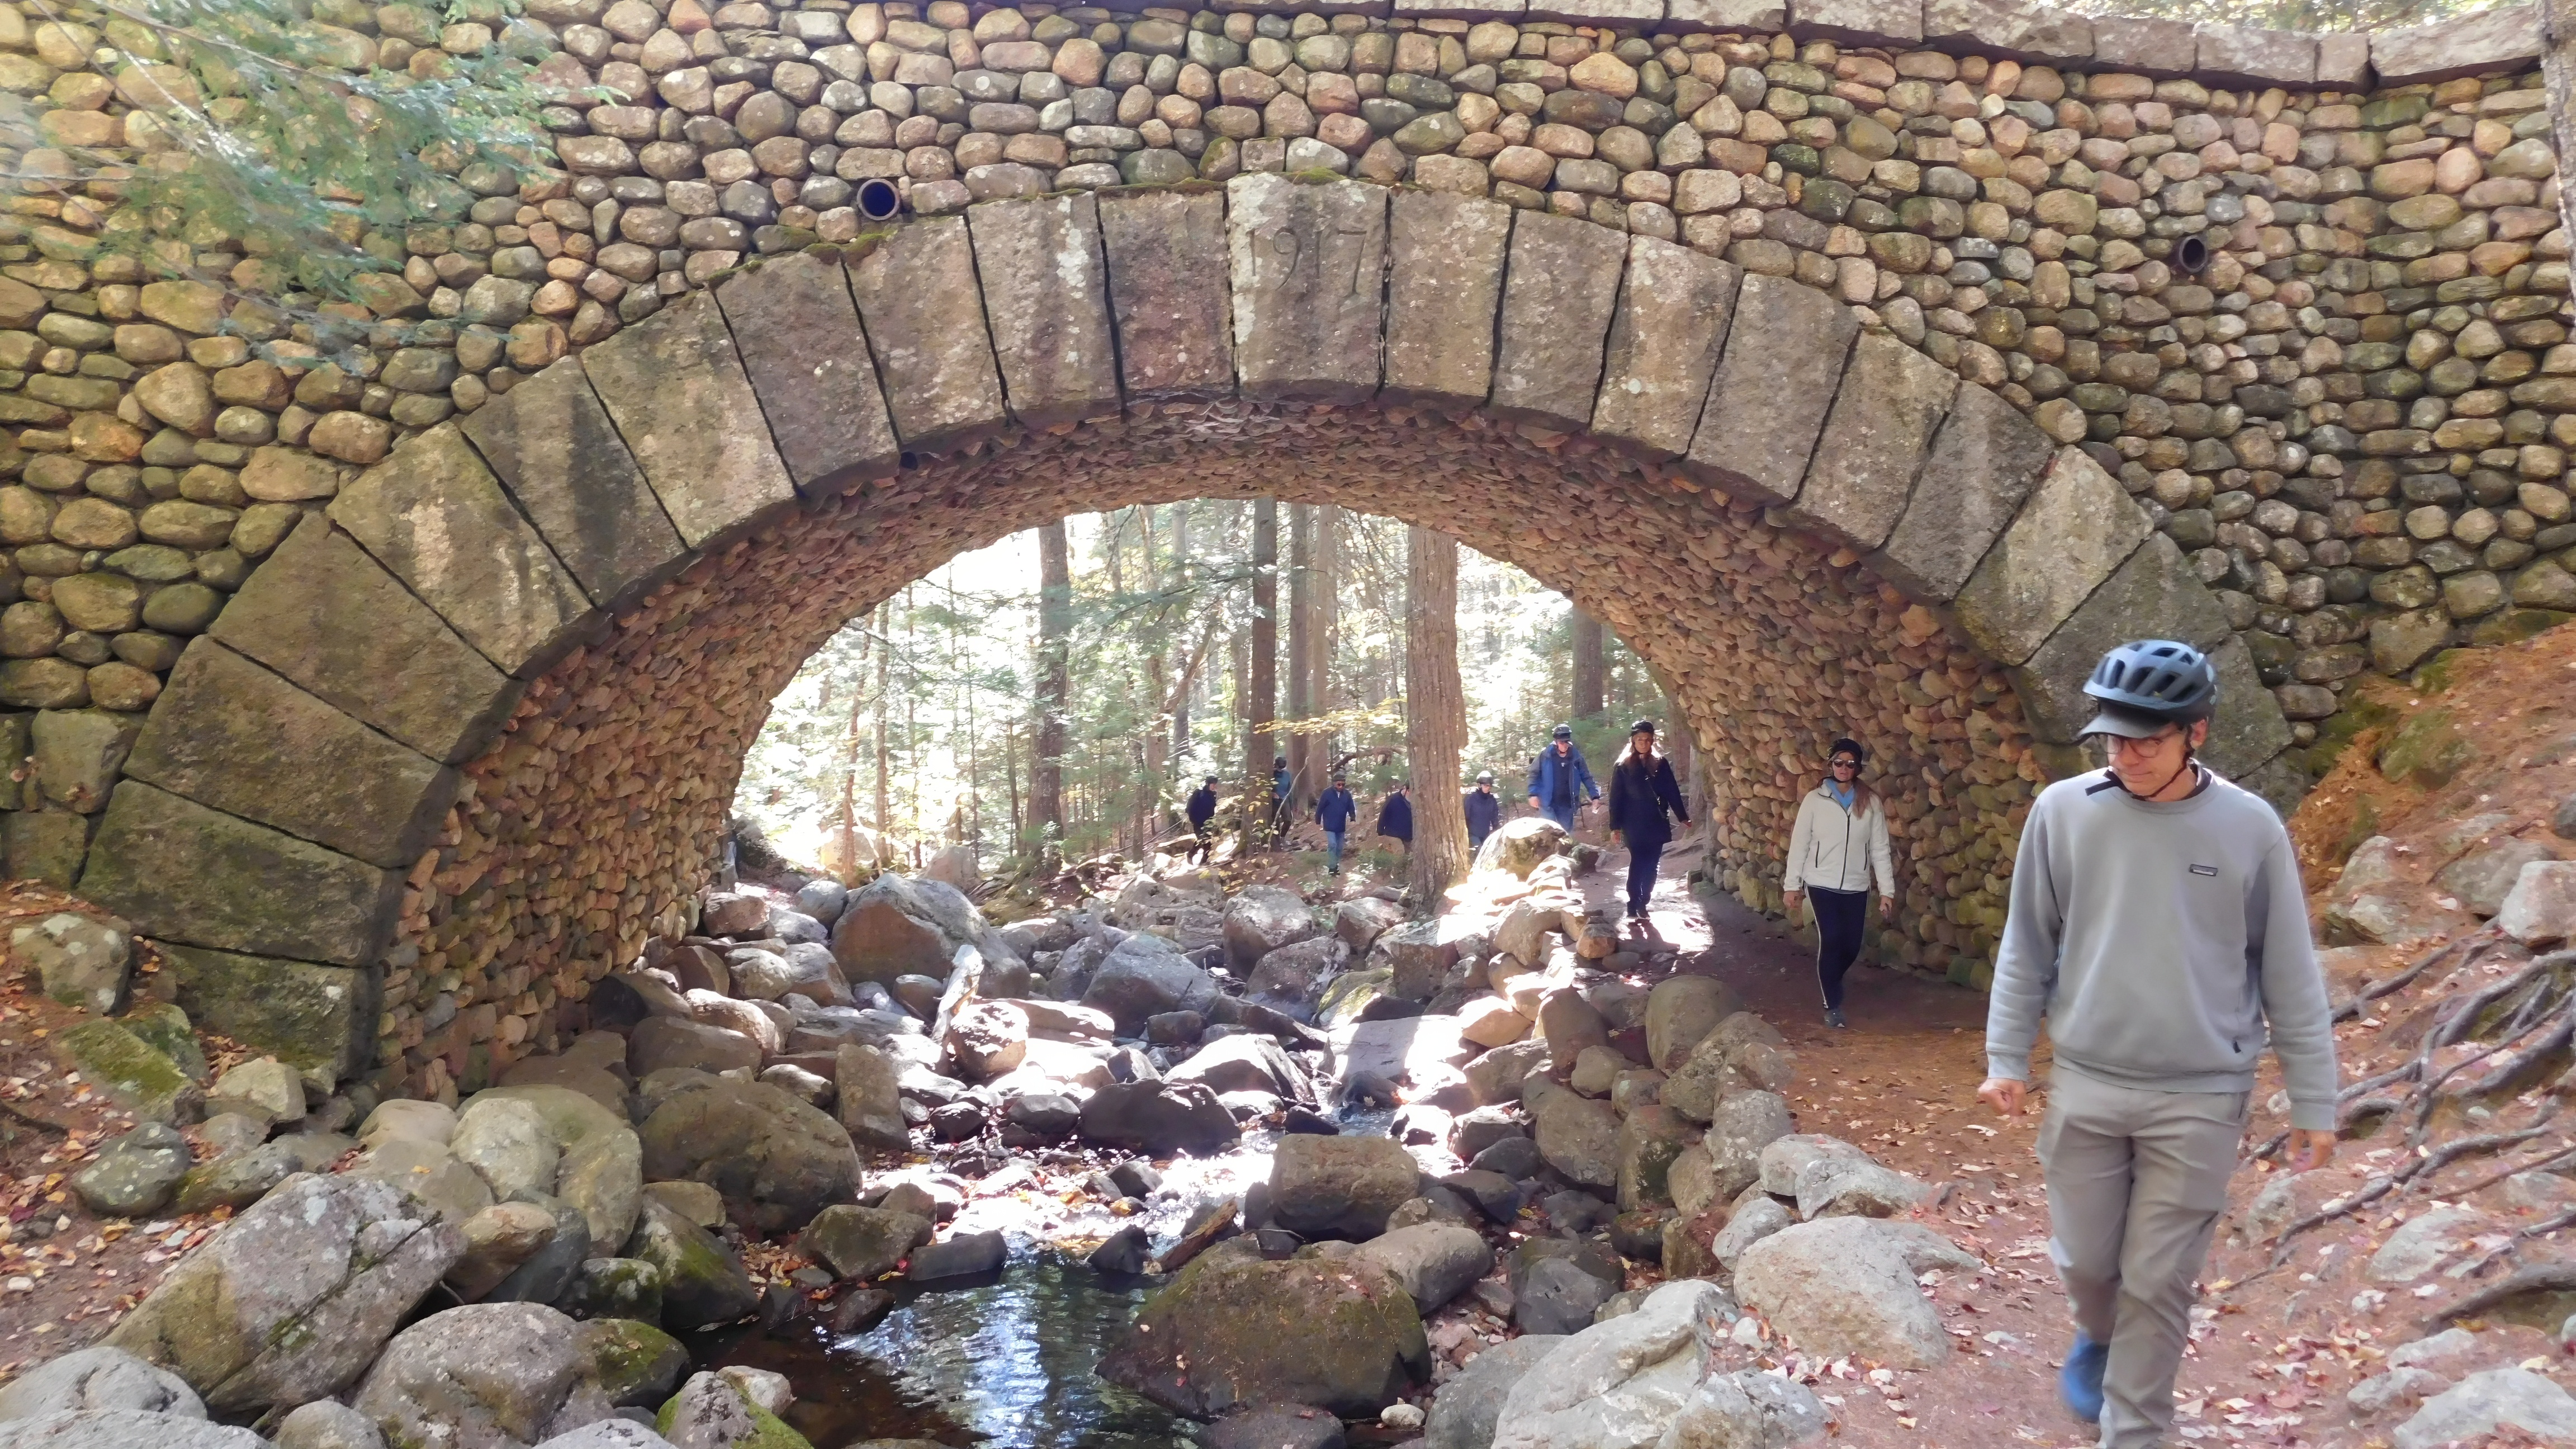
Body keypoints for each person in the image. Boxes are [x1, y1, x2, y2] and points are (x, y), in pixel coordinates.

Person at [1977, 640, 2338, 1449]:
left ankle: (2137, 1428)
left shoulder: (2251, 830)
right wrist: (2008, 1058)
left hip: (2203, 1092)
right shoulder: (2064, 813)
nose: (2128, 755)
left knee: (2158, 1280)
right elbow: (2026, 945)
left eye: (2148, 739)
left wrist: (2317, 1098)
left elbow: (2290, 973)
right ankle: (2097, 1338)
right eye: (2114, 738)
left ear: (2196, 734)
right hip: (2087, 1082)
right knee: (2087, 1265)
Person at [1782, 737, 1896, 1029]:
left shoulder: (1870, 802)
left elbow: (1880, 848)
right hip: (1821, 882)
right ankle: (1832, 1003)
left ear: (1858, 768)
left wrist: (1887, 891)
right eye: (1839, 763)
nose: (1844, 768)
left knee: (1852, 946)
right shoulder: (1814, 800)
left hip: (1857, 885)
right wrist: (1792, 885)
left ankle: (1831, 976)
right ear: (1830, 764)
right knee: (1831, 940)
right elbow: (1800, 844)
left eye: (1850, 764)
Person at [1605, 721, 1690, 923]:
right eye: (1639, 739)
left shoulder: (1661, 764)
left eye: (1647, 739)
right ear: (1633, 741)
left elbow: (1672, 791)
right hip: (1633, 822)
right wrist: (1615, 827)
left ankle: (1644, 901)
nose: (1643, 743)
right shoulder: (1623, 766)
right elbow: (1615, 798)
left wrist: (1683, 816)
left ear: (1652, 741)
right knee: (1638, 861)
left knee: (1652, 864)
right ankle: (1633, 902)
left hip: (1656, 820)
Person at [1526, 724, 1598, 832]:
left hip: (1567, 803)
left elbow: (1587, 777)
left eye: (1567, 742)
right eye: (1562, 742)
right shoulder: (1544, 756)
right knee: (1549, 832)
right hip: (1547, 803)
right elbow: (1533, 774)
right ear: (1556, 741)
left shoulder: (1576, 757)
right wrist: (1533, 794)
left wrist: (1595, 796)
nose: (1565, 745)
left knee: (1566, 835)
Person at [1315, 773, 1357, 876]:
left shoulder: (1347, 794)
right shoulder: (1326, 793)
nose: (1341, 787)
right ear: (1334, 783)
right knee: (1332, 844)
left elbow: (1351, 806)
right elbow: (1320, 807)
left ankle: (1336, 864)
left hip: (1341, 825)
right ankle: (1331, 867)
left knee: (1339, 847)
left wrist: (1353, 818)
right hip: (1329, 824)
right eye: (1339, 784)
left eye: (1343, 785)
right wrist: (1317, 820)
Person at [1462, 770, 1502, 855]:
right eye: (1485, 785)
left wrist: (1497, 832)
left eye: (1489, 785)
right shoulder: (1471, 799)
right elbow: (1465, 818)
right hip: (1472, 835)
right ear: (1479, 785)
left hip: (1486, 835)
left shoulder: (1492, 800)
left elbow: (1495, 819)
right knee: (1478, 853)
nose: (1488, 787)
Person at [1185, 775, 1219, 864]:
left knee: (1205, 841)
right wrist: (1193, 820)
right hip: (1198, 822)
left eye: (1215, 784)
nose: (1214, 786)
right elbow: (1190, 807)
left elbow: (1212, 808)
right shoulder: (1199, 793)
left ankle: (1193, 856)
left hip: (1208, 822)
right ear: (1208, 784)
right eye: (1213, 784)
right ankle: (1201, 861)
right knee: (1205, 842)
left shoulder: (1212, 795)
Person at [1376, 782, 1413, 860]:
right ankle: (1395, 872)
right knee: (1400, 853)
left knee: (1409, 857)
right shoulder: (1394, 800)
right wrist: (1380, 833)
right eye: (1411, 791)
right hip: (1393, 835)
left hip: (1408, 836)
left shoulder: (1416, 802)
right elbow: (1383, 815)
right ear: (1406, 789)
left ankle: (1401, 871)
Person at [1269, 755, 1292, 841]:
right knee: (1276, 822)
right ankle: (1276, 840)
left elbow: (1289, 789)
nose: (1281, 770)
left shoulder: (1287, 774)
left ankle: (1283, 838)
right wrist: (1272, 794)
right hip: (1274, 801)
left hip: (1285, 799)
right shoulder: (1271, 774)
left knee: (1288, 820)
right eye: (1279, 768)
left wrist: (1291, 803)